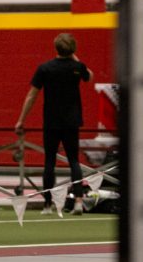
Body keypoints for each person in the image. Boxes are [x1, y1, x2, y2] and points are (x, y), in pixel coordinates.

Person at [15, 33, 93, 215]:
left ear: (55, 48)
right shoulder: (77, 67)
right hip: (72, 121)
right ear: (72, 49)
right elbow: (89, 76)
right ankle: (79, 202)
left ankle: (47, 205)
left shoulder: (45, 68)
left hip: (51, 120)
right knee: (74, 161)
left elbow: (31, 95)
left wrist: (21, 119)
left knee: (49, 161)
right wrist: (76, 58)